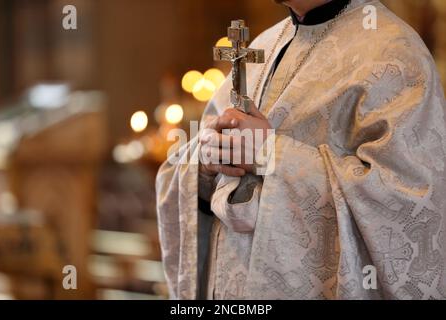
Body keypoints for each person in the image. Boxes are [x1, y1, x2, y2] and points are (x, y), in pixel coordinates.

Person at [156, 0, 446, 299]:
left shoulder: (393, 53)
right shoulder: (264, 45)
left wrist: (269, 154)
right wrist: (204, 166)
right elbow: (193, 158)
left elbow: (413, 209)